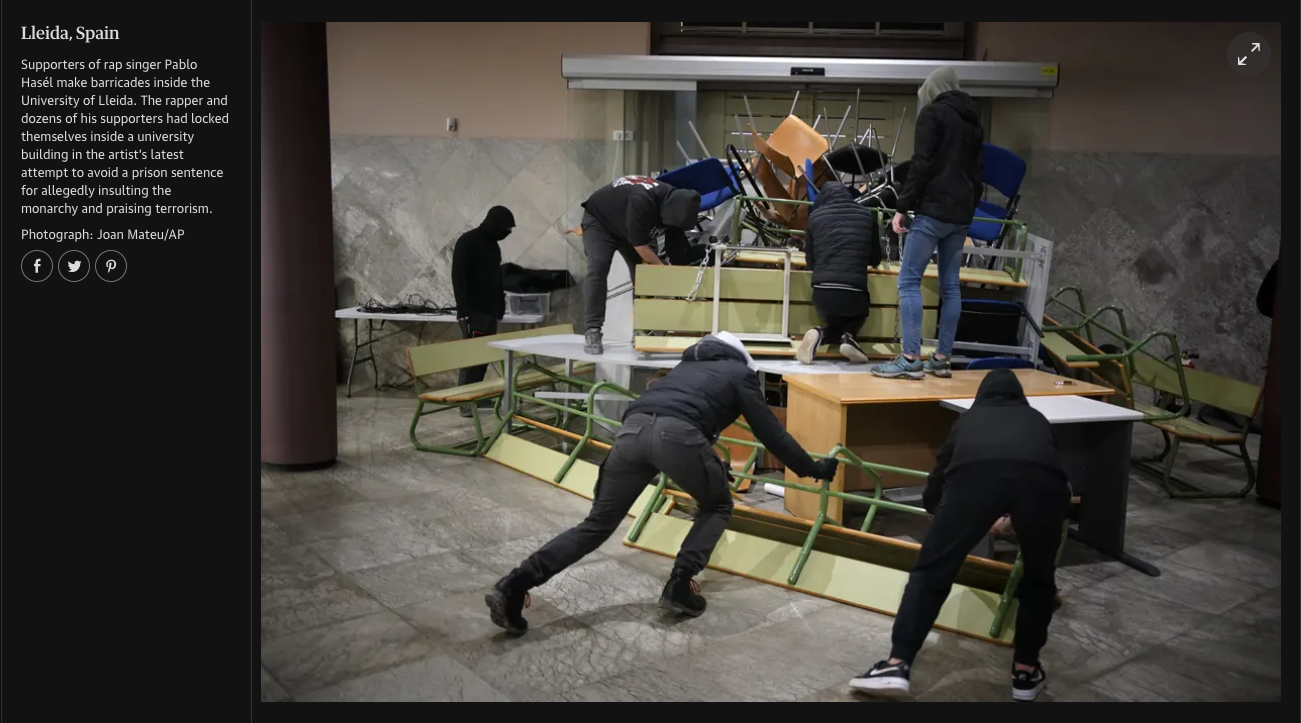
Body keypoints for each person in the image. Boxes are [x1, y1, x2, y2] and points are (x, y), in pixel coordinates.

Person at [485, 331, 839, 634]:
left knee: (596, 525)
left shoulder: (683, 368)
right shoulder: (738, 373)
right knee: (717, 505)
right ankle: (680, 584)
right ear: (741, 358)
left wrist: (706, 456)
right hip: (678, 437)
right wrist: (813, 468)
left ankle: (516, 583)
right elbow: (772, 435)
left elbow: (672, 414)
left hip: (632, 433)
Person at [850, 370, 1070, 702]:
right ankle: (1025, 672)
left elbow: (938, 477)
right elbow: (1043, 473)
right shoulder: (1037, 419)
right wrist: (1020, 522)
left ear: (981, 395)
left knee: (931, 572)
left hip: (972, 483)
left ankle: (896, 666)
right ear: (1019, 396)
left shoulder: (969, 420)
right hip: (1044, 489)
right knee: (1039, 578)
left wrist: (940, 513)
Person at [872, 66, 984, 381]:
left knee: (909, 281)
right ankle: (942, 359)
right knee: (950, 286)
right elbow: (977, 174)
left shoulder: (932, 115)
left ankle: (910, 358)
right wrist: (968, 210)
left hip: (933, 210)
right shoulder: (974, 123)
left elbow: (921, 164)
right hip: (960, 214)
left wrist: (902, 207)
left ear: (931, 90)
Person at [578, 176, 702, 355]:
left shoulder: (678, 205)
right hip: (601, 222)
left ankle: (642, 329)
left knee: (644, 275)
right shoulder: (642, 201)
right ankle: (593, 330)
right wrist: (662, 268)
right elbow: (641, 247)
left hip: (632, 226)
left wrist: (681, 278)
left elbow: (676, 251)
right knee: (598, 266)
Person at [795, 182, 883, 365]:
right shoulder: (866, 216)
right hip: (854, 292)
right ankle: (849, 337)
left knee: (834, 319)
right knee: (859, 311)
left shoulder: (816, 217)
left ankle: (820, 333)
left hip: (822, 292)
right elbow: (876, 258)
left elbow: (810, 262)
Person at [451, 206, 514, 417]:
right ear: (493, 223)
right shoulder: (467, 242)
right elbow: (458, 278)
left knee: (483, 358)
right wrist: (463, 311)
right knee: (471, 359)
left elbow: (497, 279)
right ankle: (464, 402)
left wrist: (500, 305)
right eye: (505, 228)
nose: (507, 233)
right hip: (473, 312)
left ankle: (474, 397)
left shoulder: (493, 247)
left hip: (489, 312)